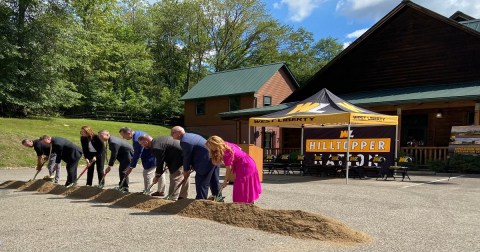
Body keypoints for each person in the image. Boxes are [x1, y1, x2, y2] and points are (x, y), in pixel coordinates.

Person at [205, 136, 262, 203]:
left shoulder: (226, 152)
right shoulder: (226, 144)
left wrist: (225, 181)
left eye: (210, 146)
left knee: (240, 187)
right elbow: (239, 148)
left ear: (215, 144)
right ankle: (249, 203)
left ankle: (242, 205)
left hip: (245, 166)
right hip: (248, 161)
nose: (209, 148)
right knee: (244, 186)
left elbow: (228, 169)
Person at [171, 126, 220, 199]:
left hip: (204, 161)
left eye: (172, 133)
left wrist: (186, 170)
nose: (171, 135)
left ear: (178, 133)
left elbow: (187, 157)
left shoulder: (184, 141)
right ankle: (218, 199)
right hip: (214, 158)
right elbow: (194, 151)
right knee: (214, 181)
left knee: (201, 182)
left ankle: (200, 201)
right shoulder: (191, 135)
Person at [138, 134, 189, 200]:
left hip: (179, 157)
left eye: (142, 144)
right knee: (184, 176)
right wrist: (167, 163)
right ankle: (183, 197)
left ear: (146, 141)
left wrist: (157, 176)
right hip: (184, 154)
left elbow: (159, 162)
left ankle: (172, 198)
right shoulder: (158, 139)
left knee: (175, 177)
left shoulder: (156, 147)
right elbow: (166, 151)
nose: (142, 146)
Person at [119, 127, 166, 196]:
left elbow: (137, 154)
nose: (123, 138)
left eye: (123, 136)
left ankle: (147, 191)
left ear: (128, 133)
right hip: (155, 155)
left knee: (147, 173)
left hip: (150, 158)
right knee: (160, 172)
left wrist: (131, 167)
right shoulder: (139, 132)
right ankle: (161, 191)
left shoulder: (136, 140)